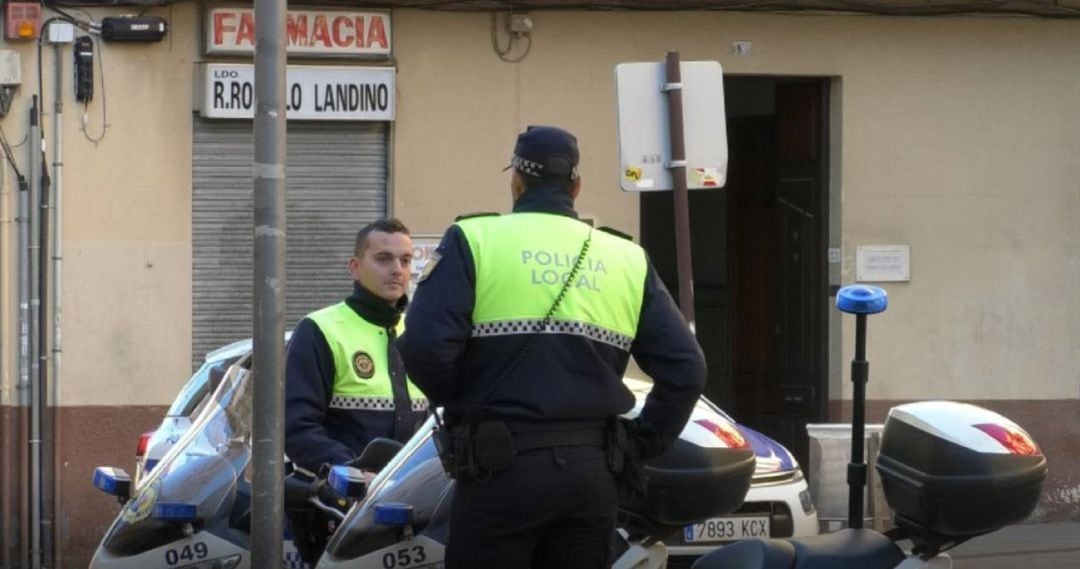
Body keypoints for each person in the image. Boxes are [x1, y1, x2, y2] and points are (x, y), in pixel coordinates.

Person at [399, 126, 706, 569]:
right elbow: (687, 369)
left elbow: (424, 348)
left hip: (498, 470)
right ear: (576, 186)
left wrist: (465, 405)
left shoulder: (474, 239)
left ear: (516, 182)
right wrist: (639, 444)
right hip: (592, 474)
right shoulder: (625, 258)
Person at [284, 218, 428, 564]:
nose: (397, 270)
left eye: (405, 260)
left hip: (415, 506)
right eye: (383, 259)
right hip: (340, 510)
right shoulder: (321, 329)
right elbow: (295, 426)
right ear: (355, 267)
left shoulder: (421, 331)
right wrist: (350, 472)